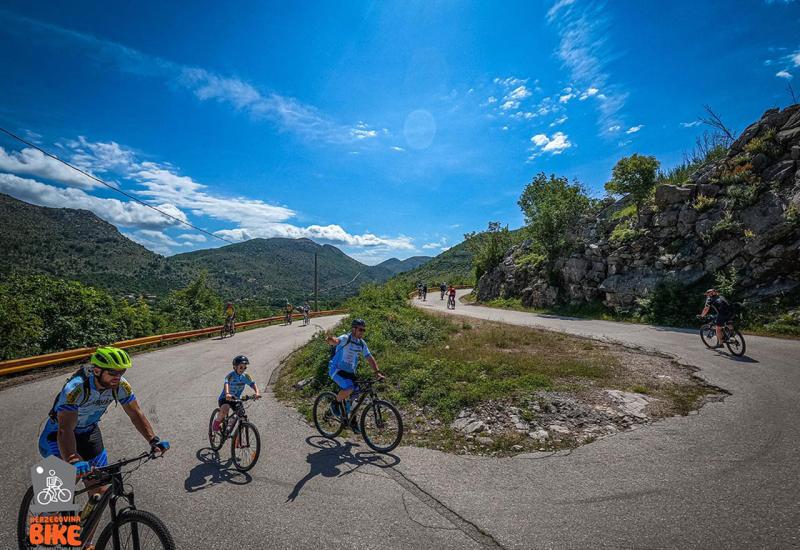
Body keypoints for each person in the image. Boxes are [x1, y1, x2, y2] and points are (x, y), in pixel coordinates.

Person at [38, 346, 169, 548]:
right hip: (58, 436)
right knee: (60, 488)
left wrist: (153, 440)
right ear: (97, 370)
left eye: (122, 372)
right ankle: (45, 526)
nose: (118, 376)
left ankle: (85, 542)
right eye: (113, 372)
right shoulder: (76, 388)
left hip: (89, 434)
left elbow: (136, 414)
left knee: (100, 492)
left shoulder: (121, 386)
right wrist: (72, 459)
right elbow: (65, 429)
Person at [326, 319, 384, 433]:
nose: (362, 332)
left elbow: (369, 358)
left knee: (356, 395)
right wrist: (331, 340)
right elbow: (336, 341)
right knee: (349, 388)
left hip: (350, 373)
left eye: (364, 330)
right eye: (360, 329)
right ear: (353, 329)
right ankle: (335, 403)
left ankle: (352, 421)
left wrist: (377, 372)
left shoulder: (361, 343)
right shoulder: (345, 338)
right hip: (337, 370)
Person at [213, 355, 261, 432]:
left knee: (241, 415)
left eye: (245, 367)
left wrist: (257, 392)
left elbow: (252, 384)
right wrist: (227, 393)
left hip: (236, 399)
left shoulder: (246, 376)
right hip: (225, 398)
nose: (243, 369)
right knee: (225, 409)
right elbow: (226, 384)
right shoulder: (230, 376)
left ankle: (236, 436)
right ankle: (216, 423)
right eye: (241, 367)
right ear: (235, 367)